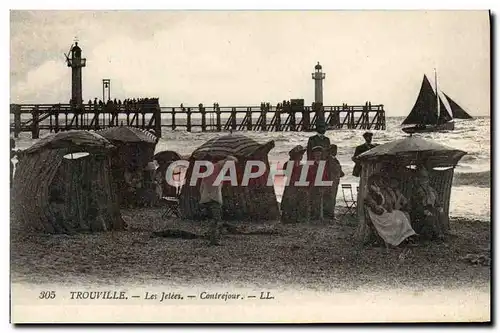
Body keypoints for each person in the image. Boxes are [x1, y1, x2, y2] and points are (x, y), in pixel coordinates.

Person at [363, 173, 416, 247]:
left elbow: (384, 203)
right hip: (377, 217)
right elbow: (376, 209)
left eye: (378, 186)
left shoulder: (379, 193)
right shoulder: (369, 196)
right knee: (400, 216)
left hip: (383, 214)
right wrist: (383, 209)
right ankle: (403, 238)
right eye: (375, 186)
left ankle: (406, 237)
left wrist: (385, 206)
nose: (378, 187)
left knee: (401, 215)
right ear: (371, 185)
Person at [199, 154, 238, 246]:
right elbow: (212, 184)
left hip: (208, 197)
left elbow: (204, 184)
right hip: (212, 198)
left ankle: (213, 238)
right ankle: (213, 240)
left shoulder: (215, 168)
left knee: (214, 219)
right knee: (216, 219)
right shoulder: (217, 169)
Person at [411, 166, 446, 240]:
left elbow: (437, 202)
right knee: (431, 215)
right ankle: (438, 234)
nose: (424, 180)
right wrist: (423, 210)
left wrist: (440, 207)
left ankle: (440, 233)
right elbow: (414, 205)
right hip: (420, 210)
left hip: (431, 208)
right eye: (422, 178)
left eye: (425, 178)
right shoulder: (415, 191)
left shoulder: (432, 190)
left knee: (439, 213)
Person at [280, 145, 308, 224]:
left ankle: (294, 217)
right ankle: (288, 217)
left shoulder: (299, 164)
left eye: (302, 154)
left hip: (296, 184)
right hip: (292, 184)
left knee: (296, 200)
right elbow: (286, 174)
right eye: (300, 154)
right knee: (290, 200)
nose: (301, 156)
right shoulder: (289, 164)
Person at [307, 146, 330, 222]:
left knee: (321, 201)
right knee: (312, 200)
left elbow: (326, 175)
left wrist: (326, 185)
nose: (318, 157)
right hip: (312, 185)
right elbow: (308, 176)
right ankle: (313, 216)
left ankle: (320, 216)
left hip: (322, 185)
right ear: (314, 155)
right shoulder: (310, 164)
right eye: (316, 155)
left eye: (319, 155)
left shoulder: (324, 164)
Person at [324, 144, 344, 220]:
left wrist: (340, 173)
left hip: (334, 181)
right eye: (334, 150)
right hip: (331, 181)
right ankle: (330, 214)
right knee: (331, 198)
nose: (336, 151)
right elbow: (333, 170)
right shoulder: (329, 159)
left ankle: (330, 214)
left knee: (332, 198)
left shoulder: (333, 159)